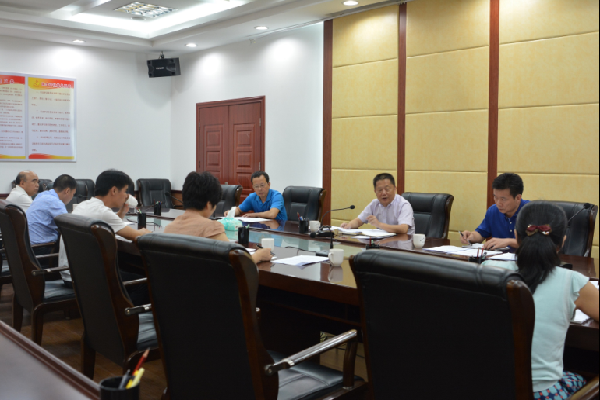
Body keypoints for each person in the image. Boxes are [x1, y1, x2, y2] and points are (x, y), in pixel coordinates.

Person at [486, 202, 598, 399]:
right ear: (562, 241)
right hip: (539, 393)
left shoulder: (488, 269)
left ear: (516, 236)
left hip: (488, 387)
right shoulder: (573, 281)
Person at [58, 170, 152, 305]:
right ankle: (124, 315)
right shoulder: (102, 212)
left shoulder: (86, 205)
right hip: (86, 277)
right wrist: (145, 232)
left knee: (125, 267)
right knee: (144, 284)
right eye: (125, 191)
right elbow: (136, 235)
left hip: (72, 273)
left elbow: (109, 223)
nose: (126, 196)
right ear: (114, 190)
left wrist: (122, 212)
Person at [165, 171, 271, 264]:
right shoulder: (211, 228)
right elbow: (236, 263)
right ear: (208, 204)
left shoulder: (169, 228)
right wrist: (259, 256)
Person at [461, 173, 529, 250]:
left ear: (518, 198)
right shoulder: (493, 211)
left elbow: (535, 243)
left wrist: (508, 242)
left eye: (503, 199)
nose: (498, 203)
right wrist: (471, 236)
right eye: (495, 197)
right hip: (497, 257)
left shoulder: (531, 211)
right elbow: (481, 233)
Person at [341, 173, 415, 235]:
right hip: (383, 244)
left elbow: (403, 229)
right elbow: (359, 221)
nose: (384, 193)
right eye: (380, 190)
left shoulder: (403, 205)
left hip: (402, 245)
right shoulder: (374, 204)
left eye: (387, 189)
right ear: (375, 191)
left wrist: (379, 224)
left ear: (395, 189)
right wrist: (349, 225)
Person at [27, 174, 77, 246]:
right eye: (73, 194)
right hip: (41, 247)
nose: (72, 198)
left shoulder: (42, 195)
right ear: (67, 191)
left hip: (29, 245)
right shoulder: (54, 202)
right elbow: (69, 226)